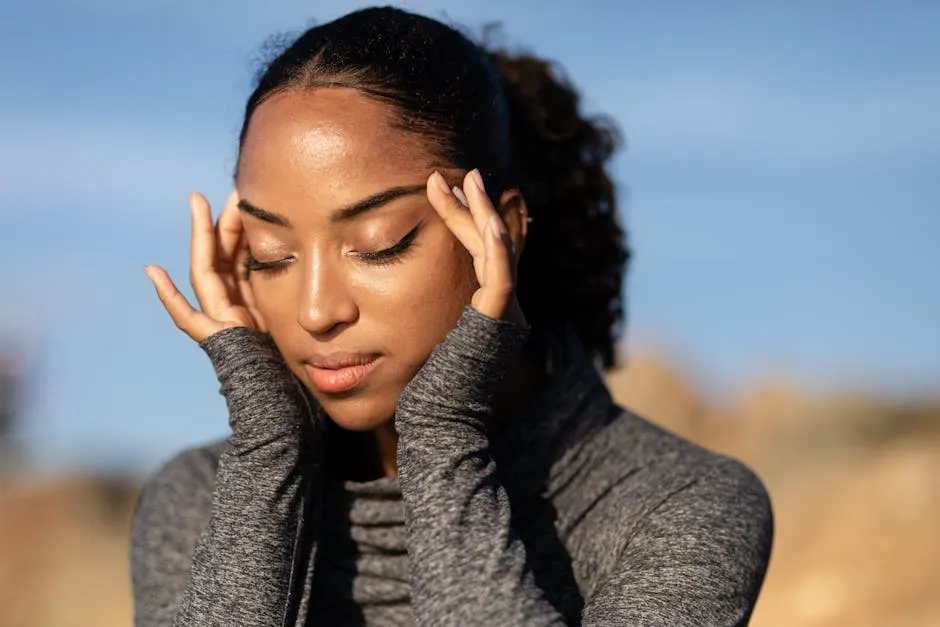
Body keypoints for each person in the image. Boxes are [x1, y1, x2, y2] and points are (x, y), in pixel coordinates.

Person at [132, 7, 773, 626]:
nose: (317, 310)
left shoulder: (679, 504)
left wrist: (440, 434)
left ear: (505, 234)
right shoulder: (202, 495)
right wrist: (269, 455)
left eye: (381, 243)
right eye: (272, 256)